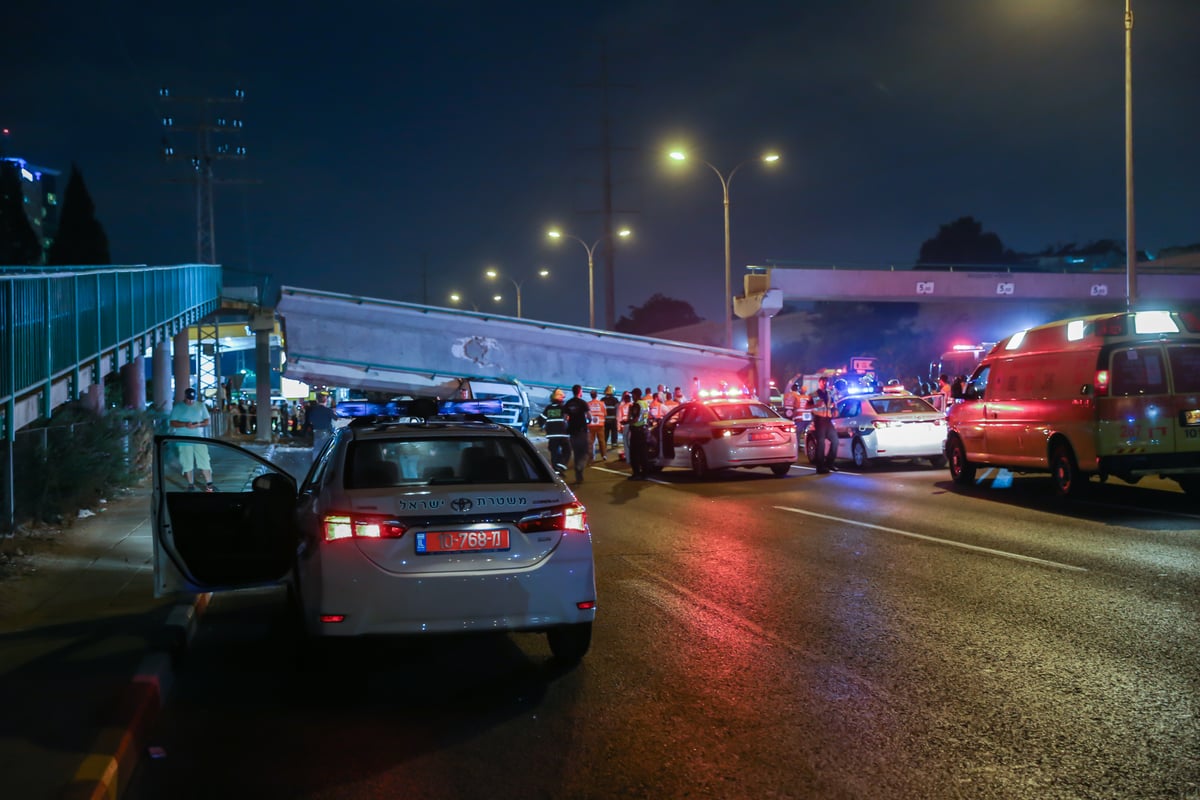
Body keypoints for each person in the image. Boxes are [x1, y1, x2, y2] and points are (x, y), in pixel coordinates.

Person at [168, 387, 214, 491]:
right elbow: (172, 423)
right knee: (187, 462)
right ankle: (190, 485)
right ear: (185, 396)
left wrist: (198, 424)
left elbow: (207, 421)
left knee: (204, 460)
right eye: (188, 399)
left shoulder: (200, 405)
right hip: (183, 438)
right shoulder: (178, 407)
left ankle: (209, 484)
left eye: (192, 399)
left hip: (198, 437)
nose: (190, 401)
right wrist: (185, 424)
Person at [536, 389, 569, 474]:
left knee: (554, 452)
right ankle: (561, 465)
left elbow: (541, 419)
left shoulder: (548, 408)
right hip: (563, 434)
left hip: (552, 434)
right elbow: (569, 418)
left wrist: (543, 427)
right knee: (567, 450)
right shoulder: (564, 408)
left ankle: (556, 470)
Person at [563, 384, 591, 483]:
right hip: (582, 431)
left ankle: (579, 477)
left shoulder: (568, 403)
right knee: (585, 452)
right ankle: (580, 466)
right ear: (579, 391)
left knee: (576, 453)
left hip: (572, 432)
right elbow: (589, 417)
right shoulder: (583, 403)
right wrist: (588, 422)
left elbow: (565, 418)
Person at [811, 375, 839, 474]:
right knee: (821, 444)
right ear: (819, 382)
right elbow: (807, 406)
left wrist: (835, 410)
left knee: (835, 440)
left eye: (826, 382)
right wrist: (815, 405)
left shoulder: (830, 394)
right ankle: (820, 467)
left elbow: (833, 404)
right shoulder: (814, 394)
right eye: (823, 382)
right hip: (819, 420)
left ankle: (829, 463)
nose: (825, 383)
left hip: (828, 420)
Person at [626, 387, 649, 480]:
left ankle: (636, 474)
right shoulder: (645, 403)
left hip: (636, 431)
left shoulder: (636, 405)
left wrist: (627, 422)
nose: (632, 396)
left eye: (633, 395)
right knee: (643, 453)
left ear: (636, 395)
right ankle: (645, 474)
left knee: (634, 454)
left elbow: (635, 419)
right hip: (644, 430)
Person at [306, 393, 337, 460]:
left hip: (316, 431)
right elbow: (336, 418)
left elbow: (310, 421)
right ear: (325, 401)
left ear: (317, 401)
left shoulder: (313, 411)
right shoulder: (328, 410)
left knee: (317, 448)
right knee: (327, 448)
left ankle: (316, 463)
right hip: (326, 432)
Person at [587, 389, 608, 462]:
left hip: (591, 425)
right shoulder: (602, 403)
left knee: (591, 442)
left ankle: (591, 457)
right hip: (600, 425)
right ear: (597, 395)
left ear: (591, 396)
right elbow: (605, 414)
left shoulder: (588, 404)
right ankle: (604, 455)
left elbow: (586, 415)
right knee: (602, 441)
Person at [601, 385, 620, 451]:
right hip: (613, 419)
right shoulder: (615, 400)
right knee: (614, 432)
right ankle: (614, 444)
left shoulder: (602, 400)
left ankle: (604, 445)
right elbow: (618, 409)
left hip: (605, 420)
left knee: (605, 433)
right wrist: (618, 419)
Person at [616, 390, 632, 462]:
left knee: (626, 443)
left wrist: (618, 427)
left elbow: (618, 417)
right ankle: (632, 457)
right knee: (631, 442)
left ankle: (628, 459)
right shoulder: (633, 405)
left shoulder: (621, 407)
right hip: (632, 426)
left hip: (625, 426)